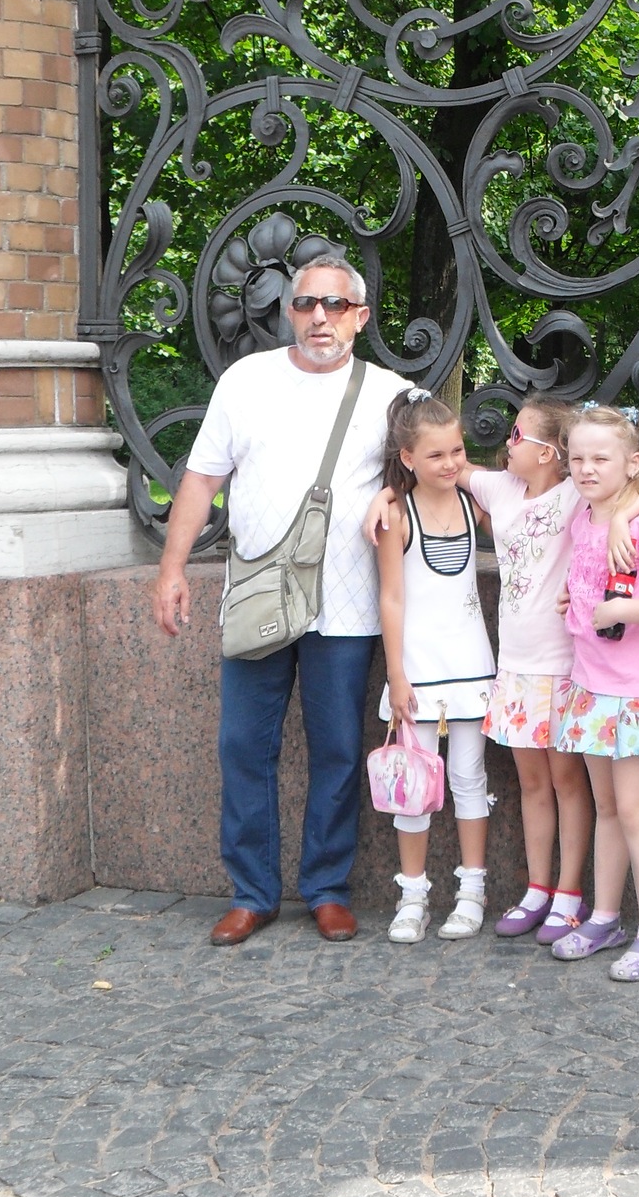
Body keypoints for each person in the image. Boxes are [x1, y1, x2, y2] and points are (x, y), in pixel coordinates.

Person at [153, 243, 408, 947]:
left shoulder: (390, 393)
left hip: (347, 605)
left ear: (360, 316)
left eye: (335, 304)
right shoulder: (247, 381)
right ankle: (253, 893)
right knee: (243, 745)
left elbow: (430, 472)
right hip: (259, 597)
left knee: (336, 750)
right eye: (306, 303)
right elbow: (203, 478)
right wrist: (172, 568)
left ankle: (326, 888)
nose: (320, 317)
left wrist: (394, 491)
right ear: (289, 313)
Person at [550, 406, 639, 981]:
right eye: (576, 458)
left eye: (599, 459)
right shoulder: (585, 517)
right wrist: (577, 599)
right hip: (592, 686)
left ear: (633, 462)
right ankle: (605, 917)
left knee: (636, 811)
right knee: (607, 808)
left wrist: (621, 611)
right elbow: (592, 582)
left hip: (635, 693)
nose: (585, 469)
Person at [374, 390, 497, 943]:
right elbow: (392, 597)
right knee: (413, 783)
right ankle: (413, 895)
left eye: (457, 451)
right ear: (407, 458)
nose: (450, 464)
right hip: (418, 671)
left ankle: (472, 890)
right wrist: (396, 675)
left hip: (471, 665)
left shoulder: (475, 505)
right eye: (436, 455)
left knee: (470, 777)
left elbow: (521, 493)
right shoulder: (396, 516)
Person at [471, 401, 594, 944]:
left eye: (518, 434)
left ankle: (570, 892)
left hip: (562, 665)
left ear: (548, 452)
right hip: (516, 667)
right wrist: (388, 494)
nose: (508, 441)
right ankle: (537, 888)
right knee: (532, 783)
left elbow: (632, 491)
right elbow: (441, 466)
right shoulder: (501, 489)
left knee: (567, 782)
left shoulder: (574, 495)